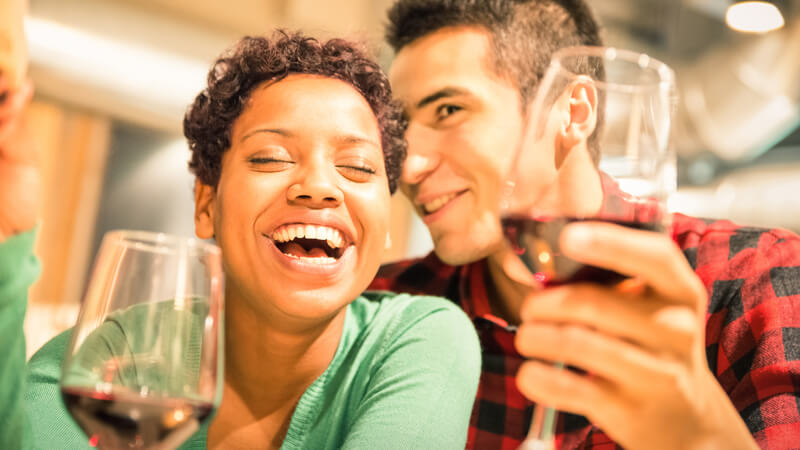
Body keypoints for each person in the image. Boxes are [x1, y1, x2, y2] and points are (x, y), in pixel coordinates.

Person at [0, 32, 481, 449]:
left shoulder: (417, 341)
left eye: (357, 168)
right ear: (207, 205)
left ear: (386, 223)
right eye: (271, 158)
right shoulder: (109, 362)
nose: (319, 186)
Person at [369, 1, 800, 448]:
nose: (411, 165)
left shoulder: (752, 281)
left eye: (448, 110)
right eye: (401, 130)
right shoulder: (380, 310)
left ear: (574, 111)